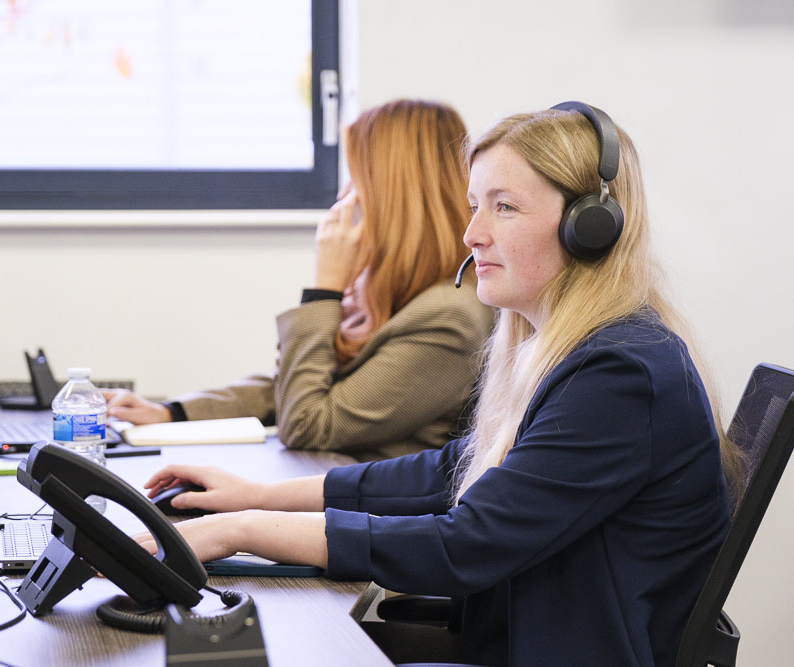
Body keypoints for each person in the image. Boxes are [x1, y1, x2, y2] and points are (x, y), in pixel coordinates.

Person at [134, 103, 744, 666]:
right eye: (475, 205)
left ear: (590, 227)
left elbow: (466, 545)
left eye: (503, 206)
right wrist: (257, 497)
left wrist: (239, 532)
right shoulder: (577, 349)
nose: (472, 233)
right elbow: (452, 468)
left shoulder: (621, 374)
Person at [105, 100, 494, 462]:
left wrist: (324, 289)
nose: (342, 197)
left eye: (355, 181)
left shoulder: (448, 316)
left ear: (395, 196)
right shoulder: (411, 292)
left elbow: (306, 423)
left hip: (368, 515)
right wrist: (169, 413)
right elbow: (294, 383)